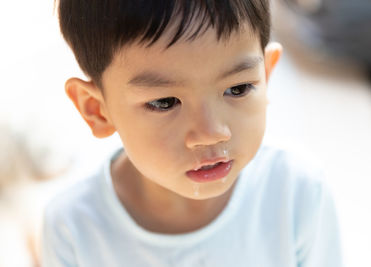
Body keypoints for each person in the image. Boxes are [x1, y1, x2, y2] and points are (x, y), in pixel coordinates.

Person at [42, 1, 343, 266]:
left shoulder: (297, 193)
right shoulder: (74, 229)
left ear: (265, 75)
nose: (211, 133)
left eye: (237, 89)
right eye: (165, 102)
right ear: (96, 109)